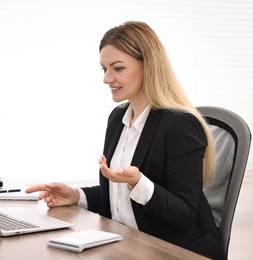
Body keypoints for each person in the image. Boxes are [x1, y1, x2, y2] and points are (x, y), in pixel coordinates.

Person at [25, 21, 225, 259]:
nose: (107, 79)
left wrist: (139, 183)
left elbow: (185, 214)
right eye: (104, 69)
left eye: (117, 68)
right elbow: (119, 197)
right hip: (127, 245)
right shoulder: (118, 117)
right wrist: (77, 196)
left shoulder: (180, 125)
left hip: (176, 251)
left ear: (148, 67)